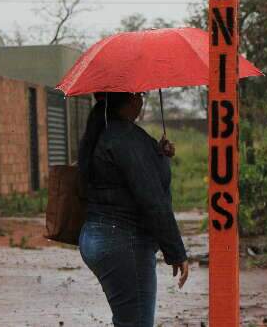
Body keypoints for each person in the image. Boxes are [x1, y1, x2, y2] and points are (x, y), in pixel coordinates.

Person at [77, 91, 189, 327]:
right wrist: (176, 252)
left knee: (128, 320)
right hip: (123, 242)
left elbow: (118, 179)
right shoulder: (127, 138)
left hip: (94, 237)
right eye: (138, 94)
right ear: (128, 99)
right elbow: (152, 200)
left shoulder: (102, 133)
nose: (141, 99)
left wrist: (156, 155)